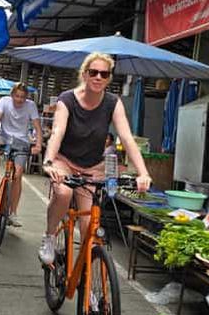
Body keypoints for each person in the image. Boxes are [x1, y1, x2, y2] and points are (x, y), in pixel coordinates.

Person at [39, 52, 152, 264]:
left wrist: (143, 173)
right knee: (63, 192)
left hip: (92, 166)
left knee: (89, 226)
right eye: (94, 72)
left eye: (104, 73)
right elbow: (57, 132)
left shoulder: (112, 102)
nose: (98, 77)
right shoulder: (67, 100)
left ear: (109, 78)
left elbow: (127, 138)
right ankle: (50, 236)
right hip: (65, 160)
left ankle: (87, 282)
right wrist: (49, 161)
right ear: (84, 74)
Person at [0, 83, 42, 226]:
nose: (19, 99)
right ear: (12, 95)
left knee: (18, 175)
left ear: (26, 97)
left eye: (22, 97)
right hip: (4, 136)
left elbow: (37, 127)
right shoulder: (4, 102)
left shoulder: (31, 106)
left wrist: (38, 144)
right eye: (17, 96)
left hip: (21, 140)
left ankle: (13, 212)